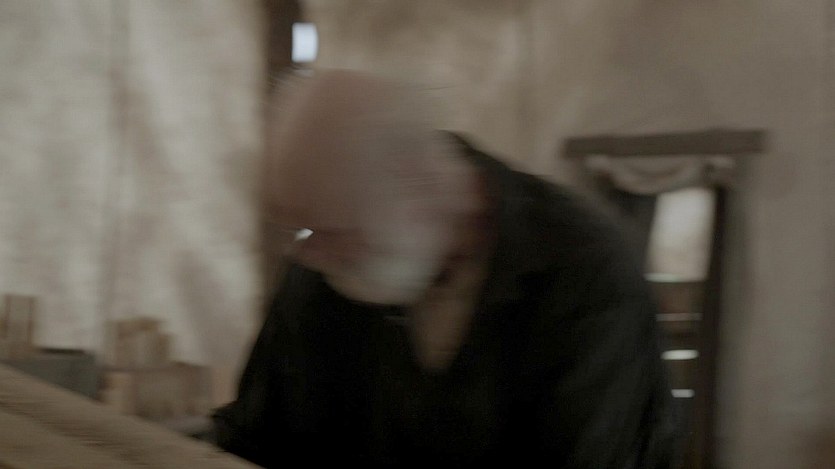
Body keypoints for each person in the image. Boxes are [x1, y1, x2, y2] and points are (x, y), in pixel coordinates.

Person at [213, 69, 679, 467]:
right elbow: (256, 438)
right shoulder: (330, 261)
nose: (307, 254)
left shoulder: (586, 275)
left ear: (414, 192)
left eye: (329, 232)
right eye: (301, 231)